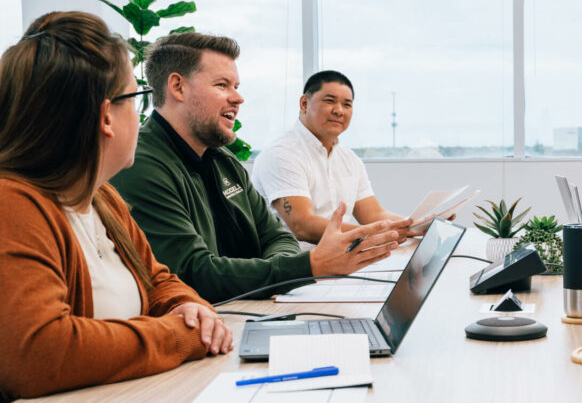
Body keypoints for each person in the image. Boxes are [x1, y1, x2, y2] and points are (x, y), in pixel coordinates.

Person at [0, 11, 230, 401]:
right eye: (136, 99)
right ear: (107, 115)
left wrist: (189, 306)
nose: (140, 117)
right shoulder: (13, 205)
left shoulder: (102, 197)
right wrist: (179, 336)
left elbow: (158, 280)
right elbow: (39, 353)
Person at [110, 34, 407, 303]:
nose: (238, 98)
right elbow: (194, 273)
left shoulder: (224, 162)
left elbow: (278, 237)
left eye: (236, 87)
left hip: (248, 310)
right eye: (222, 85)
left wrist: (279, 275)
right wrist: (308, 266)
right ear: (177, 87)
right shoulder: (140, 164)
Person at [253, 71, 435, 245]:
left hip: (342, 259)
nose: (339, 111)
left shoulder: (349, 159)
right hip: (294, 265)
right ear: (304, 104)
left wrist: (418, 226)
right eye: (330, 101)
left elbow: (373, 214)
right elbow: (303, 226)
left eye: (347, 104)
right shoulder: (281, 154)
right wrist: (378, 232)